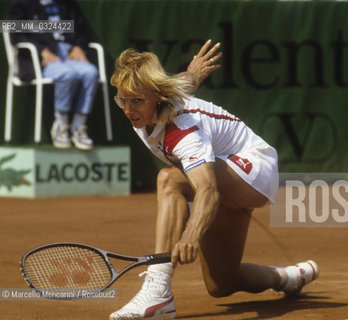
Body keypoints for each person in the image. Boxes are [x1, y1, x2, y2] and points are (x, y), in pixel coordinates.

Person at [109, 40, 318, 320]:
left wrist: (191, 235)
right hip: (228, 180)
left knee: (169, 180)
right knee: (221, 284)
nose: (128, 108)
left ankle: (158, 291)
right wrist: (194, 73)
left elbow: (207, 190)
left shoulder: (183, 129)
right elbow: (182, 82)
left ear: (157, 97)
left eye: (137, 100)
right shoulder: (150, 101)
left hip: (255, 168)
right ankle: (288, 277)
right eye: (123, 99)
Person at [9, 0, 99, 150]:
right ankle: (61, 125)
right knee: (67, 74)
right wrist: (41, 50)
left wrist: (78, 46)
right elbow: (15, 33)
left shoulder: (67, 3)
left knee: (91, 72)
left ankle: (78, 126)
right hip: (41, 60)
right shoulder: (22, 3)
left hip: (70, 55)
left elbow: (82, 30)